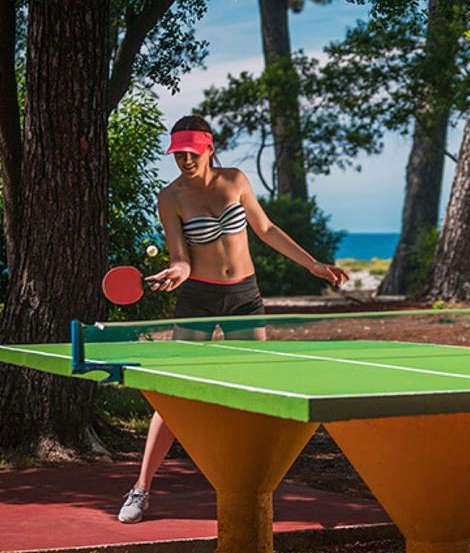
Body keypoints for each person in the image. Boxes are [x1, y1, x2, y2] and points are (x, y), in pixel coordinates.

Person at [118, 115, 348, 523]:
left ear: (208, 146)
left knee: (253, 387)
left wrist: (311, 264)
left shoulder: (237, 180)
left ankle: (250, 481)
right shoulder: (170, 198)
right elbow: (181, 258)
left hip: (244, 297)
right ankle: (141, 489)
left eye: (190, 151)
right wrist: (176, 271)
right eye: (177, 153)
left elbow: (267, 229)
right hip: (198, 298)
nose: (184, 160)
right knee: (174, 393)